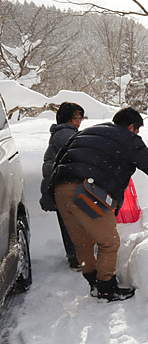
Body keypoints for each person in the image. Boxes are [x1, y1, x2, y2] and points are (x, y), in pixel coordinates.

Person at [49, 107, 148, 302]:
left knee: (83, 242)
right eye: (137, 130)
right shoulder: (128, 138)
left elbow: (59, 159)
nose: (136, 134)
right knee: (109, 241)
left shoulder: (87, 132)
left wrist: (50, 193)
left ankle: (94, 283)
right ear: (131, 127)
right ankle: (106, 288)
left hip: (61, 189)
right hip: (86, 191)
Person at [40, 102, 85, 270]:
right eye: (75, 118)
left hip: (58, 184)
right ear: (66, 119)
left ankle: (75, 257)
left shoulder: (62, 133)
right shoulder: (66, 134)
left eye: (80, 118)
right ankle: (78, 258)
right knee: (73, 222)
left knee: (67, 221)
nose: (78, 121)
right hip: (63, 185)